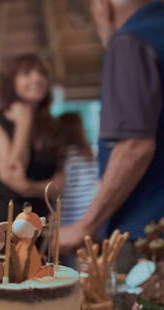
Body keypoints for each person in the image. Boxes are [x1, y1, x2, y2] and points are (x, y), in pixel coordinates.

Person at [59, 0, 163, 274]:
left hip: (147, 234)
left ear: (102, 7)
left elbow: (135, 145)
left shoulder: (130, 40)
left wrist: (85, 225)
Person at [0, 53, 64, 223]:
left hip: (42, 218)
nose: (37, 79)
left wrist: (29, 188)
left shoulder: (52, 126)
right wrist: (24, 122)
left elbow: (59, 186)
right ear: (12, 82)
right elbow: (13, 170)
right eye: (27, 74)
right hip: (6, 216)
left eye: (42, 74)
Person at [57, 112, 98, 226]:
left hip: (66, 218)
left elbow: (60, 186)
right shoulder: (90, 154)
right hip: (87, 215)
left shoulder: (63, 156)